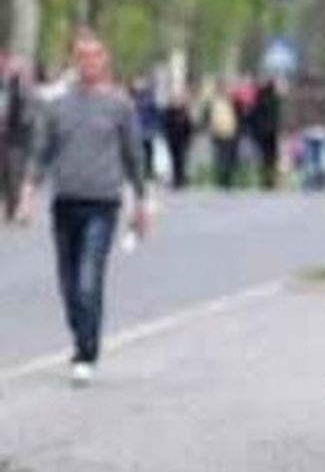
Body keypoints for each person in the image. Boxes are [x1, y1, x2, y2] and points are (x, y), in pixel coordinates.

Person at [21, 31, 148, 385]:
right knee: (69, 282)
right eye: (82, 57)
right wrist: (28, 192)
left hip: (102, 202)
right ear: (74, 61)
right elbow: (41, 152)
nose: (88, 63)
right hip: (66, 200)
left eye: (94, 56)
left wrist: (141, 201)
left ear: (104, 61)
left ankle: (86, 352)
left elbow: (133, 155)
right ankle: (81, 331)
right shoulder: (58, 106)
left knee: (89, 278)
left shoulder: (119, 106)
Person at [1, 52, 36, 224]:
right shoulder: (6, 86)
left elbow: (29, 114)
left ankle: (17, 209)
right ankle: (10, 209)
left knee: (15, 173)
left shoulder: (26, 88)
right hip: (6, 135)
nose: (12, 69)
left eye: (16, 67)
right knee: (6, 173)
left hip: (19, 137)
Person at [249, 77, 282, 189]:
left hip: (263, 132)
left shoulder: (259, 98)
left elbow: (253, 115)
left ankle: (266, 179)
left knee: (264, 157)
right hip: (270, 132)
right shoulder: (274, 99)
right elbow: (276, 117)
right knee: (271, 157)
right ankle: (270, 180)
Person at [162, 88, 195, 190]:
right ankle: (176, 178)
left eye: (178, 99)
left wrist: (189, 138)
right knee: (174, 159)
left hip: (182, 140)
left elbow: (189, 126)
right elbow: (166, 126)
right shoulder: (169, 111)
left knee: (182, 159)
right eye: (174, 99)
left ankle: (181, 178)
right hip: (172, 139)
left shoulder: (184, 111)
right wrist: (166, 137)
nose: (176, 101)